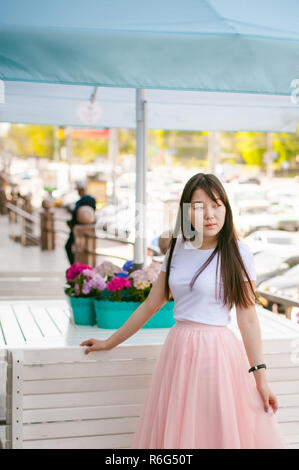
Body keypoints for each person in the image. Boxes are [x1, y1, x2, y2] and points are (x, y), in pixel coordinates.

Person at [80, 173, 289, 449]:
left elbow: (248, 317)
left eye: (217, 205)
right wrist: (109, 342)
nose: (210, 215)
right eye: (199, 207)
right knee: (180, 432)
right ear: (186, 211)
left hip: (217, 353)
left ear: (226, 207)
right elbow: (150, 304)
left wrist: (261, 377)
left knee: (214, 431)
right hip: (178, 350)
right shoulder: (178, 248)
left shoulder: (238, 252)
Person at [65, 182, 96, 265]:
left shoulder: (81, 202)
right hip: (89, 227)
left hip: (78, 227)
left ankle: (74, 266)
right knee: (86, 250)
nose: (78, 192)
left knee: (70, 247)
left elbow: (75, 214)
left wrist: (71, 224)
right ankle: (78, 266)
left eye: (79, 190)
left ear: (82, 190)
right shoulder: (92, 200)